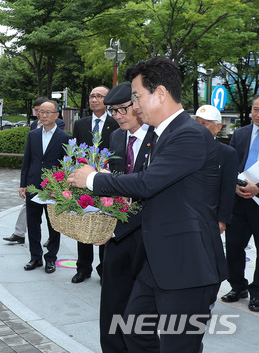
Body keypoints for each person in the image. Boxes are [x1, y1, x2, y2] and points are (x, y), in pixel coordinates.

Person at [68, 57, 226, 352]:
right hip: (156, 263)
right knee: (134, 332)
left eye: (137, 96)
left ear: (161, 93)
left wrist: (93, 180)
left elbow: (146, 183)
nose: (135, 105)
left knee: (178, 346)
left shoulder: (190, 134)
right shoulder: (160, 134)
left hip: (188, 266)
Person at [99, 82, 154, 353]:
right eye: (112, 111)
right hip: (118, 233)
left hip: (150, 234)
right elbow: (114, 182)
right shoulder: (117, 137)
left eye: (122, 109)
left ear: (138, 105)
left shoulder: (161, 135)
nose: (117, 116)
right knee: (112, 302)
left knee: (142, 310)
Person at [71, 85, 119, 284]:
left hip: (105, 179)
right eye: (92, 96)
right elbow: (75, 152)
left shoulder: (115, 123)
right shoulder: (80, 124)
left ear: (107, 101)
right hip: (83, 180)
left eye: (99, 96)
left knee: (102, 223)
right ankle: (83, 268)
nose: (94, 99)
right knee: (84, 223)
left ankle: (104, 268)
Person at [19, 99, 70, 274]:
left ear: (56, 115)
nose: (44, 115)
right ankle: (35, 257)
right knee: (33, 222)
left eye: (48, 112)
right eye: (41, 111)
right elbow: (27, 161)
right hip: (33, 185)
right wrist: (23, 184)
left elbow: (67, 166)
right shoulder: (33, 135)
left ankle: (51, 259)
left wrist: (64, 188)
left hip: (53, 188)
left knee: (53, 225)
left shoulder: (65, 138)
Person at [221, 94, 259, 312]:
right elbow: (231, 163)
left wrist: (258, 189)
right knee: (234, 246)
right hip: (238, 199)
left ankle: (257, 293)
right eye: (255, 109)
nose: (257, 114)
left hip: (258, 199)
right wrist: (234, 183)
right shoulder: (241, 133)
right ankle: (237, 286)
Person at [4, 97, 47, 244]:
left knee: (50, 210)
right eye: (36, 110)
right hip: (33, 176)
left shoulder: (58, 124)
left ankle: (53, 238)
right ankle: (19, 233)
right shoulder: (34, 124)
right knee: (28, 205)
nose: (38, 113)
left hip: (50, 177)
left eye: (40, 110)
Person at [194, 105, 237, 235]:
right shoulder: (186, 149)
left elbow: (228, 189)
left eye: (205, 123)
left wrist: (222, 219)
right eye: (197, 123)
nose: (200, 127)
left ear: (218, 127)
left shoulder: (227, 153)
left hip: (211, 215)